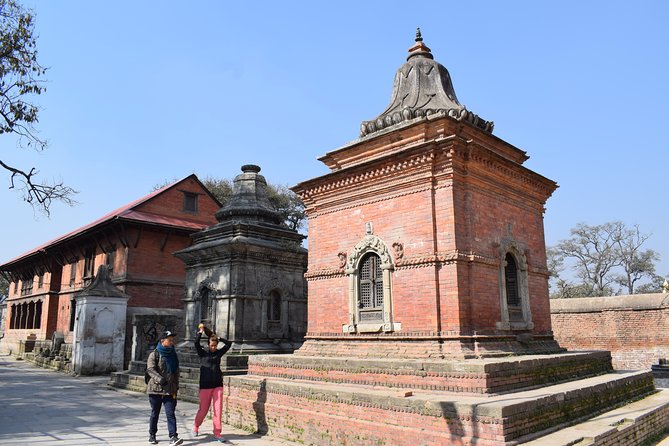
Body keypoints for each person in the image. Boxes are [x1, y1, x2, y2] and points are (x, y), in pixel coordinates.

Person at [193, 323, 232, 443]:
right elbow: (196, 343)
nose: (214, 347)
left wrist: (218, 338)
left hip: (217, 385)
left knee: (218, 409)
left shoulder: (218, 353)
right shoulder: (202, 353)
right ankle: (196, 426)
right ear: (208, 345)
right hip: (205, 386)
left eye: (215, 345)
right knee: (203, 410)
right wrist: (201, 332)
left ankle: (217, 433)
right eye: (212, 345)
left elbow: (229, 344)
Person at [146, 330, 183, 445]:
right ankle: (152, 435)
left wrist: (176, 386)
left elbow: (176, 371)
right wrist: (160, 379)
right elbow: (150, 369)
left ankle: (173, 437)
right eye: (170, 340)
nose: (172, 342)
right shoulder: (155, 354)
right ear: (163, 341)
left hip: (170, 389)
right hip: (155, 389)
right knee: (155, 413)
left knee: (170, 413)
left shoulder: (173, 354)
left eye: (172, 340)